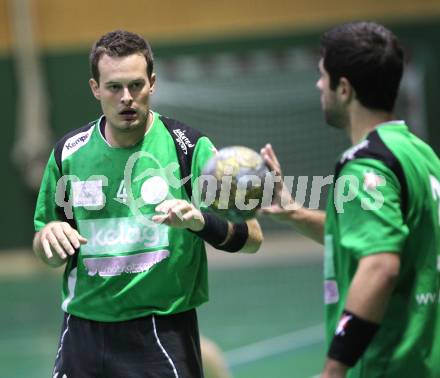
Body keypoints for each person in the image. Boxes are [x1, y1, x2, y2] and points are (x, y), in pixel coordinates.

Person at [33, 30, 262, 378]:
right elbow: (45, 250)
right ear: (95, 88)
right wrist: (49, 236)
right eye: (113, 87)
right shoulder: (69, 155)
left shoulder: (189, 148)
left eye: (136, 85)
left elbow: (252, 238)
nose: (127, 98)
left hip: (161, 330)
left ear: (152, 83)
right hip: (83, 329)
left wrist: (200, 222)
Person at [260, 21, 440, 378]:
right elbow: (382, 235)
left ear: (344, 89)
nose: (318, 85)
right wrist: (297, 215)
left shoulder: (367, 167)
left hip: (386, 365)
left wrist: (334, 368)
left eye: (322, 76)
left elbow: (380, 265)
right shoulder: (420, 153)